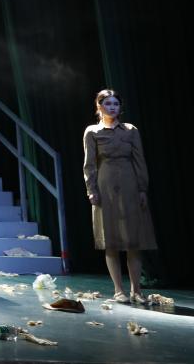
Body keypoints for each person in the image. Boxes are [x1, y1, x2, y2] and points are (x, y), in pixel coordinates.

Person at [83, 89, 157, 304]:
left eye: (115, 104)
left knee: (134, 240)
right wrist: (91, 190)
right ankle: (118, 290)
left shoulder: (131, 130)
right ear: (99, 106)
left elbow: (139, 160)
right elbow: (89, 164)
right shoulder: (92, 132)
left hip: (130, 183)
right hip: (105, 186)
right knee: (111, 240)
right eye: (108, 103)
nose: (112, 107)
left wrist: (142, 188)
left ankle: (137, 290)